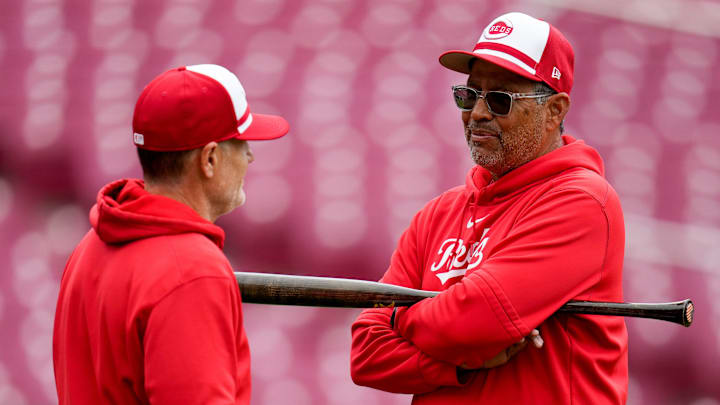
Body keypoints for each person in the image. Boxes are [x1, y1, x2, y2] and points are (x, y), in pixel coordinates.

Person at [350, 12, 628, 404]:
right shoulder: (437, 214)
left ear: (555, 110)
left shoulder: (582, 201)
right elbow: (366, 354)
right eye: (469, 94)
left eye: (500, 99)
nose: (477, 112)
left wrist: (399, 318)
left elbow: (473, 321)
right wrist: (459, 366)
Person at [53, 64, 289, 404]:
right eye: (240, 144)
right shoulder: (192, 271)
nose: (250, 156)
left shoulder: (90, 245)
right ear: (209, 159)